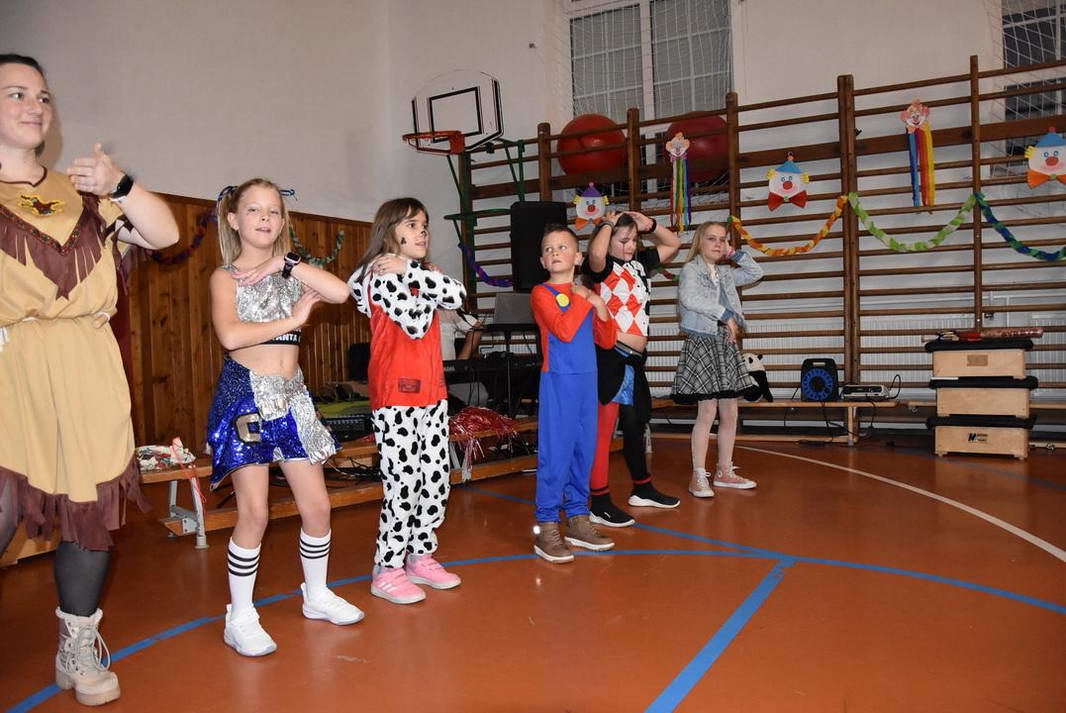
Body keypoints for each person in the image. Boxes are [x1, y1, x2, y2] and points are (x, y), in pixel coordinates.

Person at [0, 54, 179, 706]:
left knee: (89, 507)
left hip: (87, 360)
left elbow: (165, 233)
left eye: (43, 96)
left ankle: (77, 643)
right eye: (16, 93)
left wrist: (121, 183)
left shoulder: (83, 190)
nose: (35, 106)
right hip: (11, 361)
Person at [206, 178, 363, 658]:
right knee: (255, 512)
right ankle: (240, 615)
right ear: (234, 219)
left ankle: (316, 594)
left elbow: (341, 293)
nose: (264, 218)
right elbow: (231, 336)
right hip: (246, 398)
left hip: (292, 397)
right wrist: (293, 321)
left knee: (317, 507)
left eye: (273, 211)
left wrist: (285, 263)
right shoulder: (225, 277)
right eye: (254, 210)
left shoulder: (292, 272)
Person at [348, 198, 465, 604]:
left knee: (435, 479)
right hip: (396, 396)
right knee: (404, 482)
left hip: (431, 392)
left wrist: (418, 274)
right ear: (390, 230)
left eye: (425, 224)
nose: (422, 231)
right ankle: (387, 567)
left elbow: (458, 295)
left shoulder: (414, 271)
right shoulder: (380, 273)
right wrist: (424, 280)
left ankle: (420, 555)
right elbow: (414, 322)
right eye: (412, 224)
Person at [584, 211, 681, 527]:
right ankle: (599, 502)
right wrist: (607, 224)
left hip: (635, 361)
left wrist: (649, 225)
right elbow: (596, 253)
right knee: (603, 431)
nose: (629, 246)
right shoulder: (602, 268)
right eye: (623, 241)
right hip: (610, 358)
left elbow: (673, 243)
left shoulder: (639, 264)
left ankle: (643, 488)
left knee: (636, 424)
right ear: (608, 239)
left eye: (634, 240)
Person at [529, 225, 616, 562]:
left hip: (586, 382)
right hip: (558, 381)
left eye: (563, 247)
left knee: (584, 452)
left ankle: (578, 518)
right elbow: (564, 331)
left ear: (578, 257)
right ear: (542, 260)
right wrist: (584, 298)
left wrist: (601, 307)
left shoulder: (586, 294)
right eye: (548, 249)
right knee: (557, 454)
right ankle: (547, 524)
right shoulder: (542, 293)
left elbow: (607, 340)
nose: (555, 252)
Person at [671, 221, 763, 496]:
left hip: (724, 343)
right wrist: (725, 314)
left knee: (730, 410)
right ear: (699, 242)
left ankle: (724, 471)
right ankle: (698, 475)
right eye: (711, 238)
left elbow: (756, 272)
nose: (718, 244)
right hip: (703, 340)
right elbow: (689, 298)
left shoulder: (725, 273)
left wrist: (734, 254)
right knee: (707, 411)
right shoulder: (691, 269)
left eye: (722, 239)